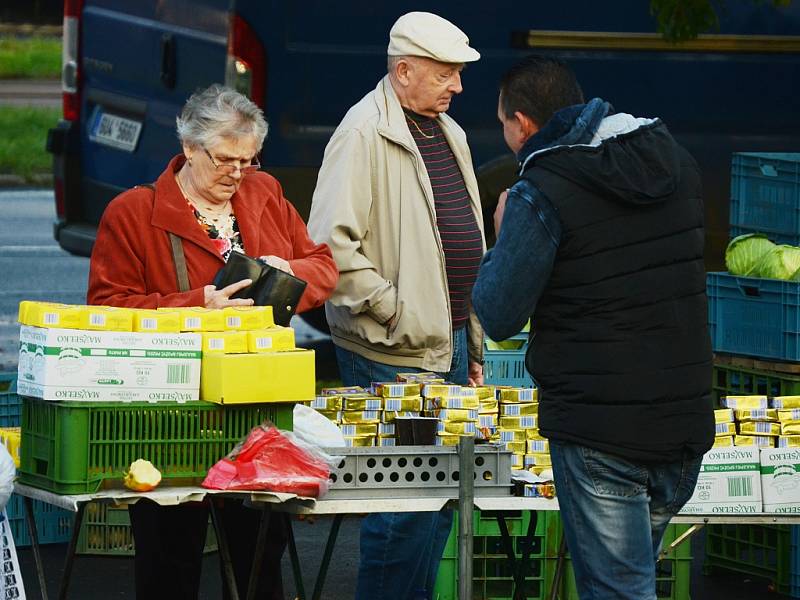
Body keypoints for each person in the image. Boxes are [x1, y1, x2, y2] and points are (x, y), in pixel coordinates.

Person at [472, 55, 715, 600]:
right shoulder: (676, 162)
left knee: (619, 591)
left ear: (523, 124)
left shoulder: (543, 187)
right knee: (633, 583)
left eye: (503, 124)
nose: (506, 138)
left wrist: (505, 229)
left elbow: (498, 310)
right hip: (683, 424)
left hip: (601, 433)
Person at [87, 84, 338, 600]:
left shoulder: (263, 193)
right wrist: (197, 306)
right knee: (169, 559)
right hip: (169, 416)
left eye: (248, 160)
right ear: (190, 147)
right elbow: (105, 311)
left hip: (258, 411)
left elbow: (324, 266)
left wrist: (289, 270)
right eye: (225, 159)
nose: (236, 172)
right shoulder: (133, 213)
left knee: (258, 559)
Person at [307, 11, 486, 600]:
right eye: (446, 73)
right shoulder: (363, 132)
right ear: (404, 70)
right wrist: (393, 310)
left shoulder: (448, 131)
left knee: (438, 504)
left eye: (459, 73)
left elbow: (462, 239)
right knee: (404, 506)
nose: (457, 86)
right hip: (393, 349)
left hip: (447, 342)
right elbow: (329, 245)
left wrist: (472, 338)